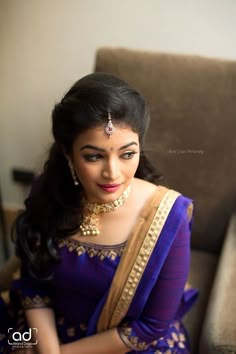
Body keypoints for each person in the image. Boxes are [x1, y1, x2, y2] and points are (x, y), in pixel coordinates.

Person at [0, 72, 198, 353]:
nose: (112, 173)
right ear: (68, 154)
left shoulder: (168, 215)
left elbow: (152, 326)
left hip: (126, 345)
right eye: (94, 156)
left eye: (127, 154)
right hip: (46, 332)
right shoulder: (49, 194)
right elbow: (35, 286)